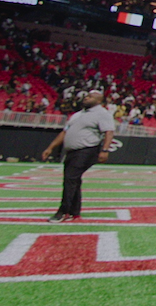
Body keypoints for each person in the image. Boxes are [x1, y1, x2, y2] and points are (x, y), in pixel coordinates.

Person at [41, 89, 115, 222]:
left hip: (87, 150)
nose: (86, 97)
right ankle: (74, 211)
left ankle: (63, 211)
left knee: (71, 178)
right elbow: (64, 133)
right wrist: (50, 147)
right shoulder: (77, 115)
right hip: (72, 151)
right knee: (73, 179)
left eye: (91, 96)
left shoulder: (102, 113)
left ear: (99, 101)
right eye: (87, 95)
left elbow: (109, 132)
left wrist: (105, 150)